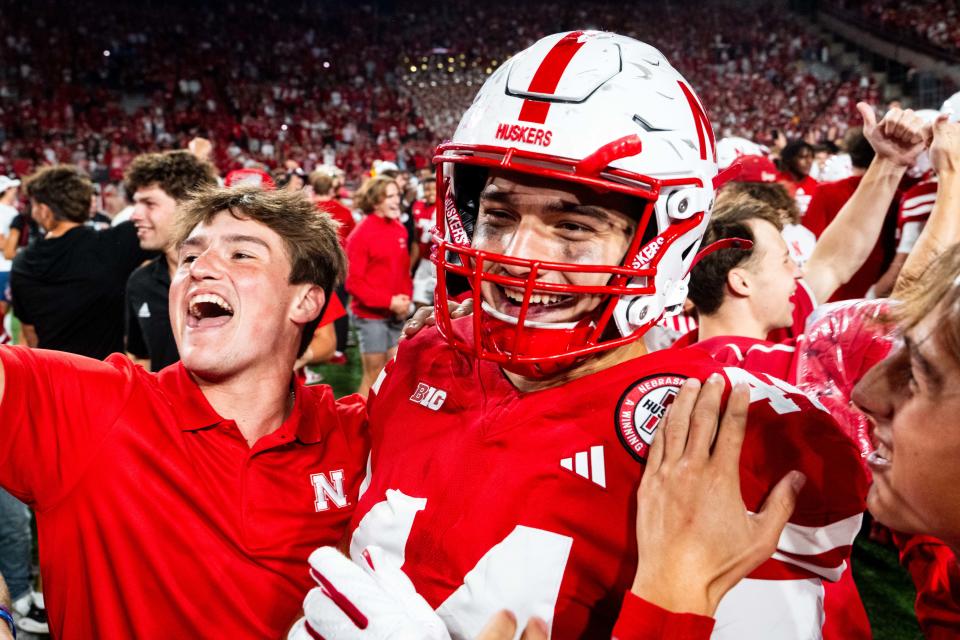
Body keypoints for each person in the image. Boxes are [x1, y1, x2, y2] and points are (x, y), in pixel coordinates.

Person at [299, 31, 866, 640]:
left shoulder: (723, 434)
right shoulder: (426, 352)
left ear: (664, 240)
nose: (519, 257)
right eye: (498, 215)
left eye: (572, 225)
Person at [0, 186, 368, 639]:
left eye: (241, 255)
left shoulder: (354, 436)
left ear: (306, 301)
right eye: (190, 257)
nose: (200, 269)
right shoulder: (94, 407)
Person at [10, 166, 153, 358]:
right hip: (105, 376)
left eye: (34, 205)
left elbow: (30, 335)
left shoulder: (23, 263)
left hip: (54, 375)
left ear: (44, 210)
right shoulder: (117, 244)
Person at [124, 150, 219, 371]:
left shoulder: (234, 277)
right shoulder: (141, 283)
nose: (134, 215)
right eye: (136, 203)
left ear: (188, 206)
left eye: (149, 203)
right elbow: (141, 359)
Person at [345, 175, 412, 397]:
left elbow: (403, 271)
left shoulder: (400, 229)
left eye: (397, 195)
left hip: (396, 314)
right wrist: (389, 301)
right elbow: (352, 282)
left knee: (393, 371)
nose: (397, 200)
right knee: (373, 374)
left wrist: (405, 299)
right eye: (390, 196)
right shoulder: (361, 234)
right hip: (370, 316)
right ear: (375, 201)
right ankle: (357, 426)